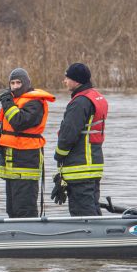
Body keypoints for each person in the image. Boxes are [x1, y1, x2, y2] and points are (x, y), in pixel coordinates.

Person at [0, 68, 56, 217]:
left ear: (26, 83)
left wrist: (7, 102)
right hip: (12, 165)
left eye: (18, 82)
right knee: (12, 209)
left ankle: (30, 236)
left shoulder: (34, 102)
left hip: (26, 163)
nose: (15, 86)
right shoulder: (14, 101)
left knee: (25, 209)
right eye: (12, 83)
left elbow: (19, 122)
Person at [52, 62, 108, 216]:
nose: (65, 81)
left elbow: (68, 134)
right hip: (92, 166)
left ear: (76, 80)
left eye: (67, 78)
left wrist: (58, 156)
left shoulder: (80, 102)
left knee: (83, 214)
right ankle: (100, 238)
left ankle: (91, 239)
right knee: (92, 208)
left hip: (80, 168)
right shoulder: (96, 97)